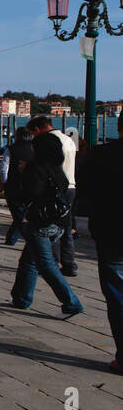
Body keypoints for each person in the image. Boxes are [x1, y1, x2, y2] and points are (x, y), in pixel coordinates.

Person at [10, 133, 83, 315]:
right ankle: (21, 297)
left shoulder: (35, 168)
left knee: (46, 264)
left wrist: (23, 173)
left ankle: (72, 301)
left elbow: (31, 193)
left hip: (41, 222)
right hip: (58, 222)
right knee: (29, 259)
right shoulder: (57, 169)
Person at [77, 135, 123, 374]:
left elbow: (83, 191)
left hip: (111, 232)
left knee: (117, 295)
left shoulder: (100, 155)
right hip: (110, 231)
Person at [29, 116, 78, 274]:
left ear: (38, 129)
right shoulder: (68, 139)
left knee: (52, 225)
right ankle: (69, 263)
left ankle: (53, 262)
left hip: (57, 186)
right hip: (71, 184)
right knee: (67, 226)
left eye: (33, 134)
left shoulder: (50, 140)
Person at [2, 126, 35, 245]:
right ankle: (12, 238)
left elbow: (4, 168)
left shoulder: (10, 149)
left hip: (13, 186)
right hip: (30, 185)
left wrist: (5, 182)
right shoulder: (34, 149)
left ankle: (19, 238)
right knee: (21, 215)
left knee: (18, 215)